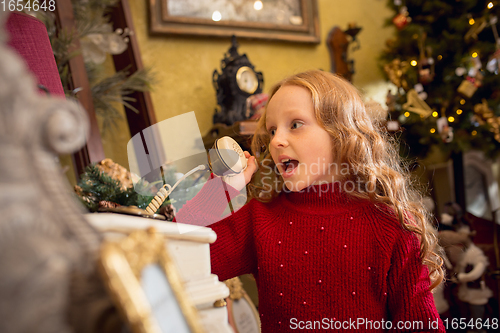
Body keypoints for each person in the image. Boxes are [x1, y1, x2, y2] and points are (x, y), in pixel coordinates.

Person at [175, 70, 445, 332]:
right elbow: (177, 258)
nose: (277, 141)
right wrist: (219, 191)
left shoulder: (393, 227)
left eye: (295, 125)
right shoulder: (260, 219)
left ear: (341, 133)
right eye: (271, 131)